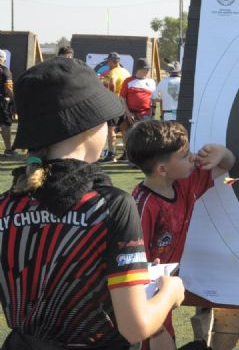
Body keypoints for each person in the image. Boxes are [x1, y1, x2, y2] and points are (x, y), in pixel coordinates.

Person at [0, 57, 185, 349]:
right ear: (89, 127)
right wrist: (170, 292)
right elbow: (136, 327)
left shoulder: (6, 205)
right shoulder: (111, 205)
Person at [126, 120, 235, 350]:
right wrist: (155, 330)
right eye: (185, 155)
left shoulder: (185, 184)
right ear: (162, 169)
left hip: (162, 304)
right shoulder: (142, 206)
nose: (194, 158)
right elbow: (133, 275)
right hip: (144, 310)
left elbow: (227, 165)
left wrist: (221, 153)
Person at [98, 52, 131, 163]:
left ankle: (111, 154)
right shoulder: (125, 71)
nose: (107, 63)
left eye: (108, 61)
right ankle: (126, 154)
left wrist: (110, 95)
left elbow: (112, 83)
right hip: (124, 103)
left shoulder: (113, 72)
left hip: (114, 102)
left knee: (111, 129)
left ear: (112, 62)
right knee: (123, 128)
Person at [0, 49, 15, 157]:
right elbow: (9, 90)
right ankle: (8, 150)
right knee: (6, 124)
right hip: (2, 102)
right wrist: (13, 102)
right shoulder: (4, 70)